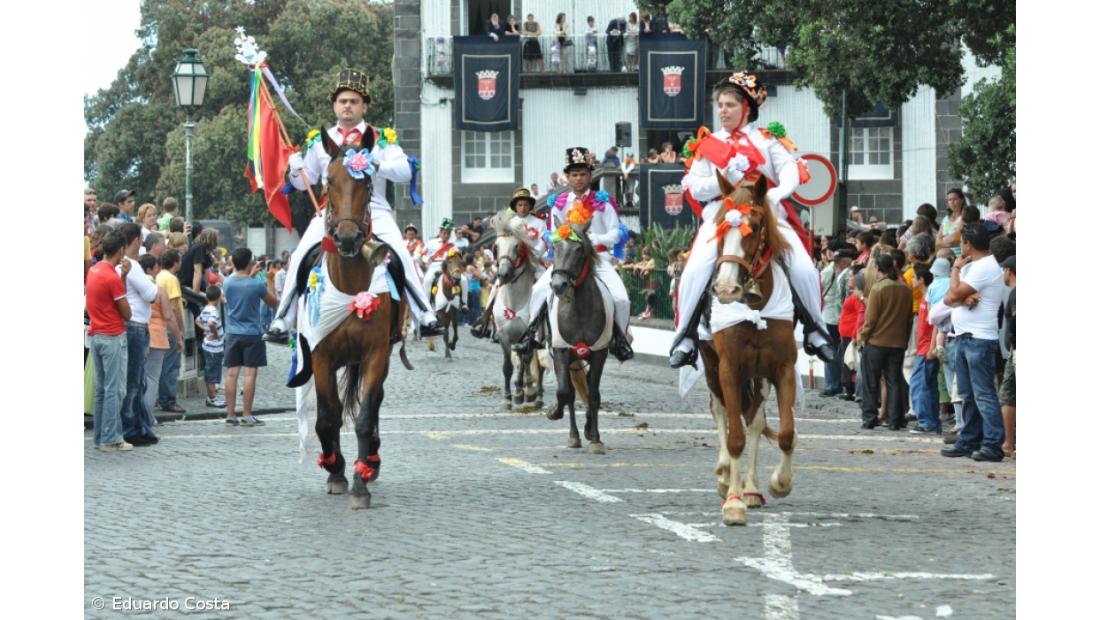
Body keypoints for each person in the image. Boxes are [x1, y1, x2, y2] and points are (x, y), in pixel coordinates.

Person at [267, 68, 444, 343]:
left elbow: (404, 171)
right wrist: (294, 170)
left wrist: (376, 163)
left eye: (353, 101)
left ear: (365, 106)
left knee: (401, 253)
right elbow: (306, 182)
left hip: (375, 209)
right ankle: (283, 317)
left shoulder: (381, 137)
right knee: (301, 253)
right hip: (331, 211)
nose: (347, 106)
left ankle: (424, 314)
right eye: (342, 101)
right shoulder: (319, 140)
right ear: (334, 105)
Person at [669, 71, 833, 368]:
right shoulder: (708, 145)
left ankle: (815, 329)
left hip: (765, 215)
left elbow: (790, 172)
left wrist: (774, 195)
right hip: (724, 216)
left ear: (747, 108)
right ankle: (686, 335)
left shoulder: (768, 140)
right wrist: (728, 175)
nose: (723, 110)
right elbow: (696, 185)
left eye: (730, 104)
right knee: (695, 270)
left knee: (804, 268)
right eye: (720, 104)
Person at [512, 147, 634, 362]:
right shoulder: (559, 204)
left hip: (598, 258)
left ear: (590, 175)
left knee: (621, 299)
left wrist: (596, 239)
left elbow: (617, 231)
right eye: (574, 175)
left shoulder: (603, 202)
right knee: (539, 290)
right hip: (568, 258)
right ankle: (532, 335)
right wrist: (562, 237)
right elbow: (550, 234)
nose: (578, 179)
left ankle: (621, 339)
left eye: (583, 174)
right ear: (567, 177)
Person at [940, 224, 1006, 462]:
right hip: (964, 337)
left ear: (967, 244)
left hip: (979, 339)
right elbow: (949, 298)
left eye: (961, 242)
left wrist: (956, 271)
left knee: (983, 394)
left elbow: (953, 295)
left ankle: (992, 444)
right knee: (968, 394)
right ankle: (970, 440)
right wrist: (960, 296)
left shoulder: (982, 268)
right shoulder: (975, 266)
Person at [472, 187, 548, 338]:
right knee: (495, 286)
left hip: (534, 263)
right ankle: (485, 320)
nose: (523, 207)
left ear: (530, 206)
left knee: (546, 287)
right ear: (515, 207)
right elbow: (502, 243)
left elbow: (542, 244)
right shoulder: (509, 223)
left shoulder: (540, 223)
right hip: (514, 263)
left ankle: (545, 322)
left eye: (526, 204)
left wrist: (530, 251)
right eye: (520, 205)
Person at [87, 230, 134, 452]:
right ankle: (111, 438)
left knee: (102, 390)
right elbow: (127, 313)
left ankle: (100, 437)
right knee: (115, 390)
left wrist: (123, 277)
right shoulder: (110, 277)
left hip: (96, 334)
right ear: (121, 250)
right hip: (112, 336)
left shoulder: (94, 270)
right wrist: (122, 278)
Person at [857, 254, 913, 430]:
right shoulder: (905, 289)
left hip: (877, 341)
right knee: (894, 380)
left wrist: (863, 335)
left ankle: (870, 417)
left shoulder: (878, 288)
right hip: (898, 343)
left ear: (877, 269)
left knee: (871, 381)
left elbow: (871, 318)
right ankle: (895, 419)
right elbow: (909, 319)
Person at [223, 248, 278, 426]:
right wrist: (269, 280)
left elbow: (238, 279)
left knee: (231, 374)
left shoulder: (228, 283)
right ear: (249, 263)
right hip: (252, 333)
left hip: (232, 332)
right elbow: (273, 303)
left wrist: (249, 273)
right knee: (249, 375)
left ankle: (230, 415)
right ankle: (247, 414)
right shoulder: (256, 285)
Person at [117, 223, 159, 446]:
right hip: (135, 326)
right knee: (134, 381)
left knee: (135, 381)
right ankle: (131, 428)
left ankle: (138, 425)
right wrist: (152, 282)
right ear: (135, 240)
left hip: (132, 326)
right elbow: (152, 294)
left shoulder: (125, 264)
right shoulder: (131, 265)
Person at [821, 248, 855, 396]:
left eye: (838, 261)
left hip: (833, 317)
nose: (837, 263)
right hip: (837, 317)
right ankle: (839, 382)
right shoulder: (847, 273)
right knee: (840, 351)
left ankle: (834, 384)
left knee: (831, 351)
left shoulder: (835, 273)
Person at [197, 285, 227, 408]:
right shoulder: (214, 311)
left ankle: (212, 396)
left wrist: (205, 329)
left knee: (210, 371)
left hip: (207, 345)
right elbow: (211, 323)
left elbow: (197, 320)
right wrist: (214, 333)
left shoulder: (205, 309)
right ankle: (212, 398)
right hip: (214, 347)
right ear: (218, 296)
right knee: (212, 373)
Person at [999, 255, 1015, 457]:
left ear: (1010, 271)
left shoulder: (1015, 294)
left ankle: (1009, 443)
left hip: (1016, 351)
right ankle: (1009, 443)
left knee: (1008, 396)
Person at [936, 188, 966, 256]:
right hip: (944, 256)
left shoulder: (964, 218)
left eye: (955, 199)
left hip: (958, 256)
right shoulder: (945, 219)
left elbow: (956, 239)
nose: (952, 202)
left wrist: (943, 240)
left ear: (962, 200)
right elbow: (937, 241)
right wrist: (949, 241)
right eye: (949, 200)